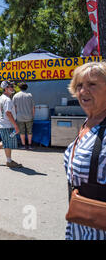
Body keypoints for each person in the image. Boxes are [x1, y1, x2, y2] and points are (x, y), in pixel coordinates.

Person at [64, 62, 106, 240]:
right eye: (79, 86)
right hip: (79, 226)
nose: (83, 91)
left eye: (92, 84)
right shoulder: (88, 123)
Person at [0, 81, 22, 168]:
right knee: (8, 143)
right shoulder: (7, 99)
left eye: (12, 86)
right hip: (6, 125)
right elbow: (8, 113)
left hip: (3, 124)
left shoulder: (2, 98)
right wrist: (16, 126)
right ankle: (9, 161)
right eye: (11, 86)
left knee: (7, 140)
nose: (12, 88)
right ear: (6, 88)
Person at [13, 82, 35, 150]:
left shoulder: (16, 96)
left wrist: (15, 116)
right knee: (29, 131)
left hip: (19, 117)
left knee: (22, 132)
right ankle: (30, 145)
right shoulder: (29, 95)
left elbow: (14, 108)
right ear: (26, 88)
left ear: (19, 88)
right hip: (29, 116)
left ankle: (23, 145)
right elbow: (33, 107)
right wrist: (33, 116)